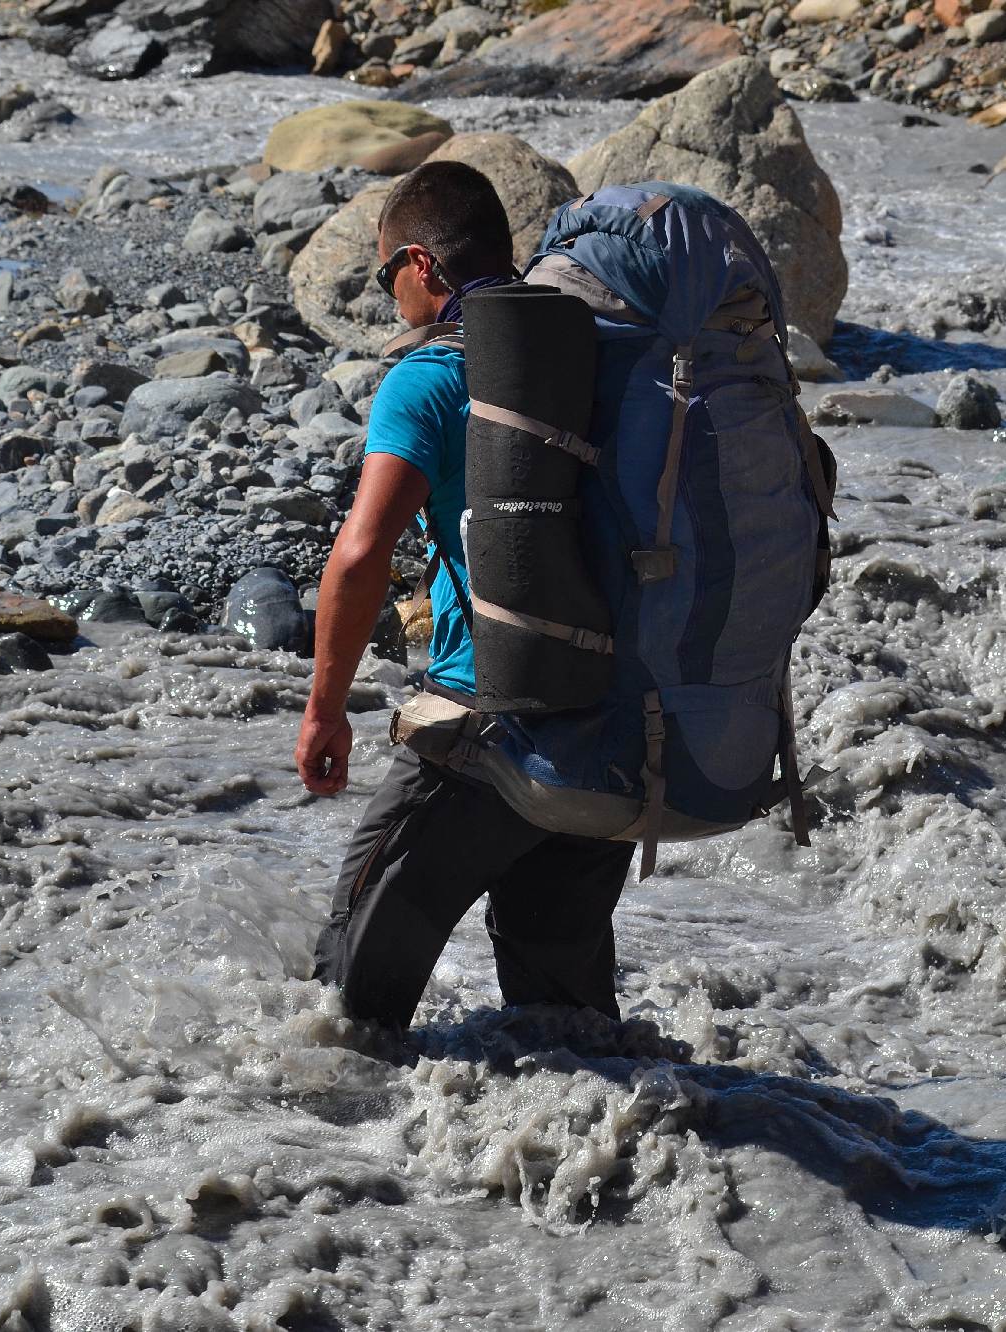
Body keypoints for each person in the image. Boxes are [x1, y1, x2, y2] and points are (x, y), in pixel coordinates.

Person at [294, 161, 637, 1036]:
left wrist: (323, 711)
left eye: (385, 275)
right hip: (611, 728)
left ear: (420, 262)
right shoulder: (598, 355)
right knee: (567, 1027)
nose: (389, 297)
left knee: (344, 1011)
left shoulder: (430, 377)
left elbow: (360, 554)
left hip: (486, 720)